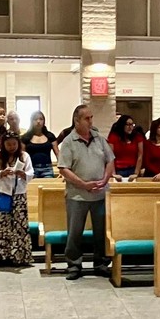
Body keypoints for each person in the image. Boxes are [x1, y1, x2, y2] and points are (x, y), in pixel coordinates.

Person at [58, 105, 115, 280]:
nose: (90, 121)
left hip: (100, 194)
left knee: (101, 232)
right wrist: (83, 184)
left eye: (91, 117)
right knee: (75, 232)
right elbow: (63, 168)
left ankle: (101, 264)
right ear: (77, 121)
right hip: (77, 195)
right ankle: (74, 265)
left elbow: (110, 160)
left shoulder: (99, 139)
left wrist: (105, 179)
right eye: (86, 118)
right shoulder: (69, 141)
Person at [0, 132, 34, 266]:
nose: (12, 147)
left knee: (19, 226)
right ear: (3, 144)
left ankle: (19, 256)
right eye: (8, 144)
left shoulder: (24, 156)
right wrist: (2, 173)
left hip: (19, 195)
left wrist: (23, 174)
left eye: (14, 144)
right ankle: (0, 257)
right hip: (2, 193)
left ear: (18, 144)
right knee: (0, 225)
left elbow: (31, 173)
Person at [22, 111, 58, 178]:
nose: (38, 121)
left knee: (48, 184)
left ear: (44, 121)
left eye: (41, 119)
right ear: (31, 121)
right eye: (35, 119)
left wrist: (62, 169)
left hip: (47, 168)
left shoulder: (50, 136)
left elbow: (58, 153)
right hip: (31, 169)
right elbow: (22, 156)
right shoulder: (25, 137)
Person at [107, 114, 144, 180]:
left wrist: (136, 173)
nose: (130, 127)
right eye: (128, 125)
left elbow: (140, 156)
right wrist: (114, 174)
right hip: (118, 170)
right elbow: (110, 156)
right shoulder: (113, 137)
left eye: (132, 125)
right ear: (122, 125)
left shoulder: (137, 137)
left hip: (133, 169)